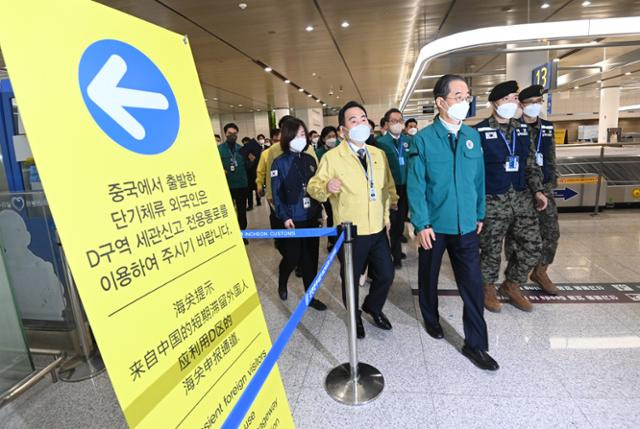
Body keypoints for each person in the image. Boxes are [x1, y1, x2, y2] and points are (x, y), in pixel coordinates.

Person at [408, 74, 498, 371]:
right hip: (434, 226)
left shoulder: (472, 138)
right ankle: (431, 320)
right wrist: (421, 224)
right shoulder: (423, 140)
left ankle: (476, 345)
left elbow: (479, 179)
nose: (465, 101)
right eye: (458, 96)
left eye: (467, 96)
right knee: (428, 277)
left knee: (472, 284)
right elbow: (416, 185)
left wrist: (480, 213)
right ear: (441, 102)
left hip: (467, 227)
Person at [308, 101, 398, 339]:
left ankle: (373, 307)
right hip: (350, 231)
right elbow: (314, 187)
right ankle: (354, 316)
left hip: (377, 229)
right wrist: (326, 186)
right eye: (353, 120)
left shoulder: (379, 154)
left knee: (387, 274)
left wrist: (386, 215)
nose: (360, 124)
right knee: (351, 277)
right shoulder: (332, 157)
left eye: (363, 119)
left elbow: (386, 188)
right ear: (342, 130)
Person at [475, 81, 547, 313]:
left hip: (521, 198)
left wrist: (537, 190)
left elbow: (530, 162)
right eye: (507, 99)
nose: (513, 103)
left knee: (533, 244)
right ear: (495, 103)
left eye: (515, 99)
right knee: (491, 248)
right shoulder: (480, 131)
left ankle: (512, 284)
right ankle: (487, 287)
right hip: (492, 199)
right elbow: (474, 171)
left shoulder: (522, 128)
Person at [270, 118, 327, 311]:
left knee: (310, 259)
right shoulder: (279, 163)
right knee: (292, 257)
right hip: (292, 220)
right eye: (295, 135)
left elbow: (316, 189)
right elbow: (277, 194)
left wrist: (319, 211)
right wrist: (284, 217)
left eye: (302, 134)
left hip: (310, 217)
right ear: (287, 137)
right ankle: (282, 280)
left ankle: (310, 297)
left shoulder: (310, 160)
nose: (300, 139)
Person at [513, 84, 560, 295]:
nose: (535, 106)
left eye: (538, 102)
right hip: (521, 189)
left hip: (545, 187)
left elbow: (551, 156)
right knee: (518, 237)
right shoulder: (513, 127)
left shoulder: (548, 127)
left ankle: (541, 271)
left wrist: (552, 182)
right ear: (521, 105)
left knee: (551, 232)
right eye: (531, 102)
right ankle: (514, 279)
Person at [377, 108, 412, 268]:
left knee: (402, 220)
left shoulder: (408, 140)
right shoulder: (381, 143)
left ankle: (396, 249)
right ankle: (394, 254)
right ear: (387, 124)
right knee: (393, 221)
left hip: (406, 186)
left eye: (400, 121)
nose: (397, 124)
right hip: (390, 188)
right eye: (394, 121)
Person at [218, 123, 249, 243]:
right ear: (225, 134)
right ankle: (231, 234)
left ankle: (243, 234)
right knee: (228, 211)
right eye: (230, 133)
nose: (232, 136)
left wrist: (251, 160)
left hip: (241, 184)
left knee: (242, 211)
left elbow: (248, 167)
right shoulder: (219, 150)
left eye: (234, 133)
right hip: (227, 185)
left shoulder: (242, 149)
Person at [316, 126, 338, 250]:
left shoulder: (341, 150)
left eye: (334, 136)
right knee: (331, 215)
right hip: (327, 189)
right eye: (329, 137)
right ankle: (331, 240)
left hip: (340, 189)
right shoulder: (319, 153)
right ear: (323, 139)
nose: (332, 139)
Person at [241, 137, 263, 210]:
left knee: (257, 188)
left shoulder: (256, 151)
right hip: (248, 174)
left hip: (255, 172)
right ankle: (250, 205)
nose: (246, 144)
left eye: (247, 142)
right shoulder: (243, 153)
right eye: (244, 143)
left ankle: (258, 201)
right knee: (249, 191)